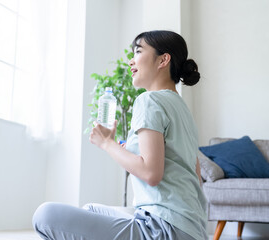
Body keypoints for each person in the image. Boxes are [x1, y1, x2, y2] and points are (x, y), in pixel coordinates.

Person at [32, 30, 208, 240]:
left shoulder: (149, 100)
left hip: (162, 229)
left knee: (44, 215)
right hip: (190, 229)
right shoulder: (182, 109)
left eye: (138, 52)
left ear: (163, 59)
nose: (131, 62)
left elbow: (152, 174)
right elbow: (194, 176)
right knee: (91, 210)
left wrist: (107, 143)